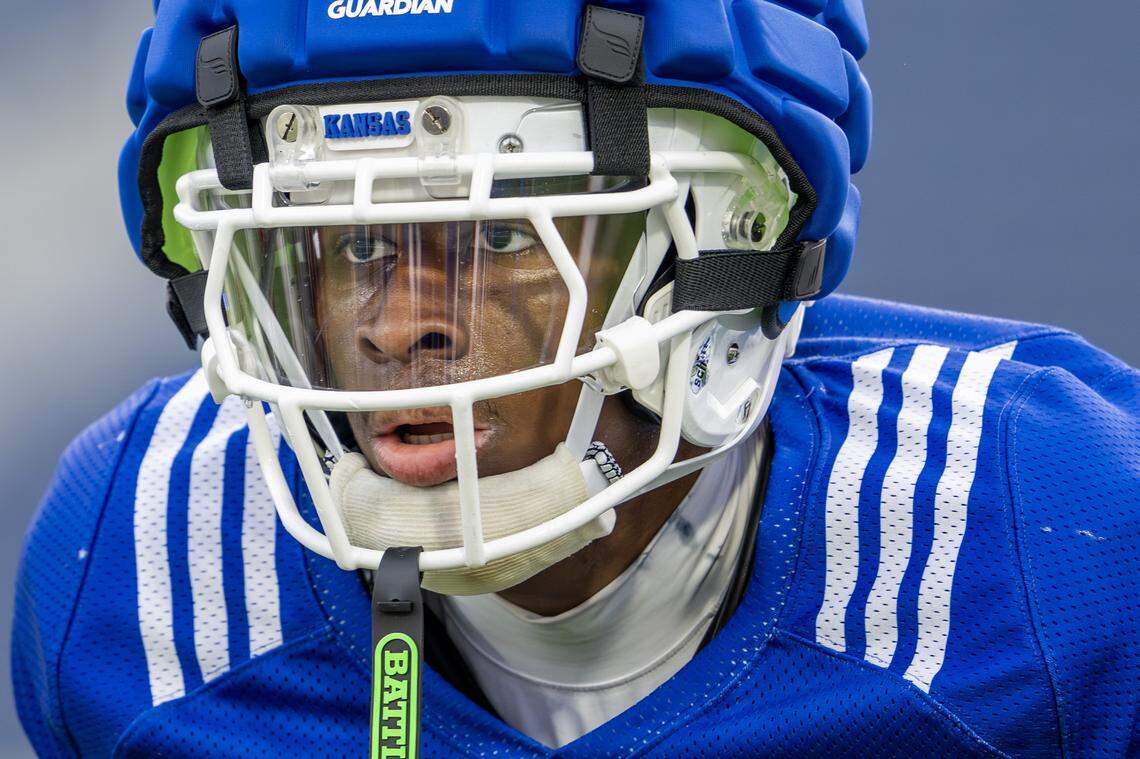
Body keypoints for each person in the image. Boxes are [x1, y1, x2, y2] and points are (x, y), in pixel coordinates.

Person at [12, 1, 1139, 756]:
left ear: (720, 247)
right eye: (353, 248)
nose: (405, 326)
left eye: (502, 239)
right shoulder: (138, 572)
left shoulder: (1043, 539)